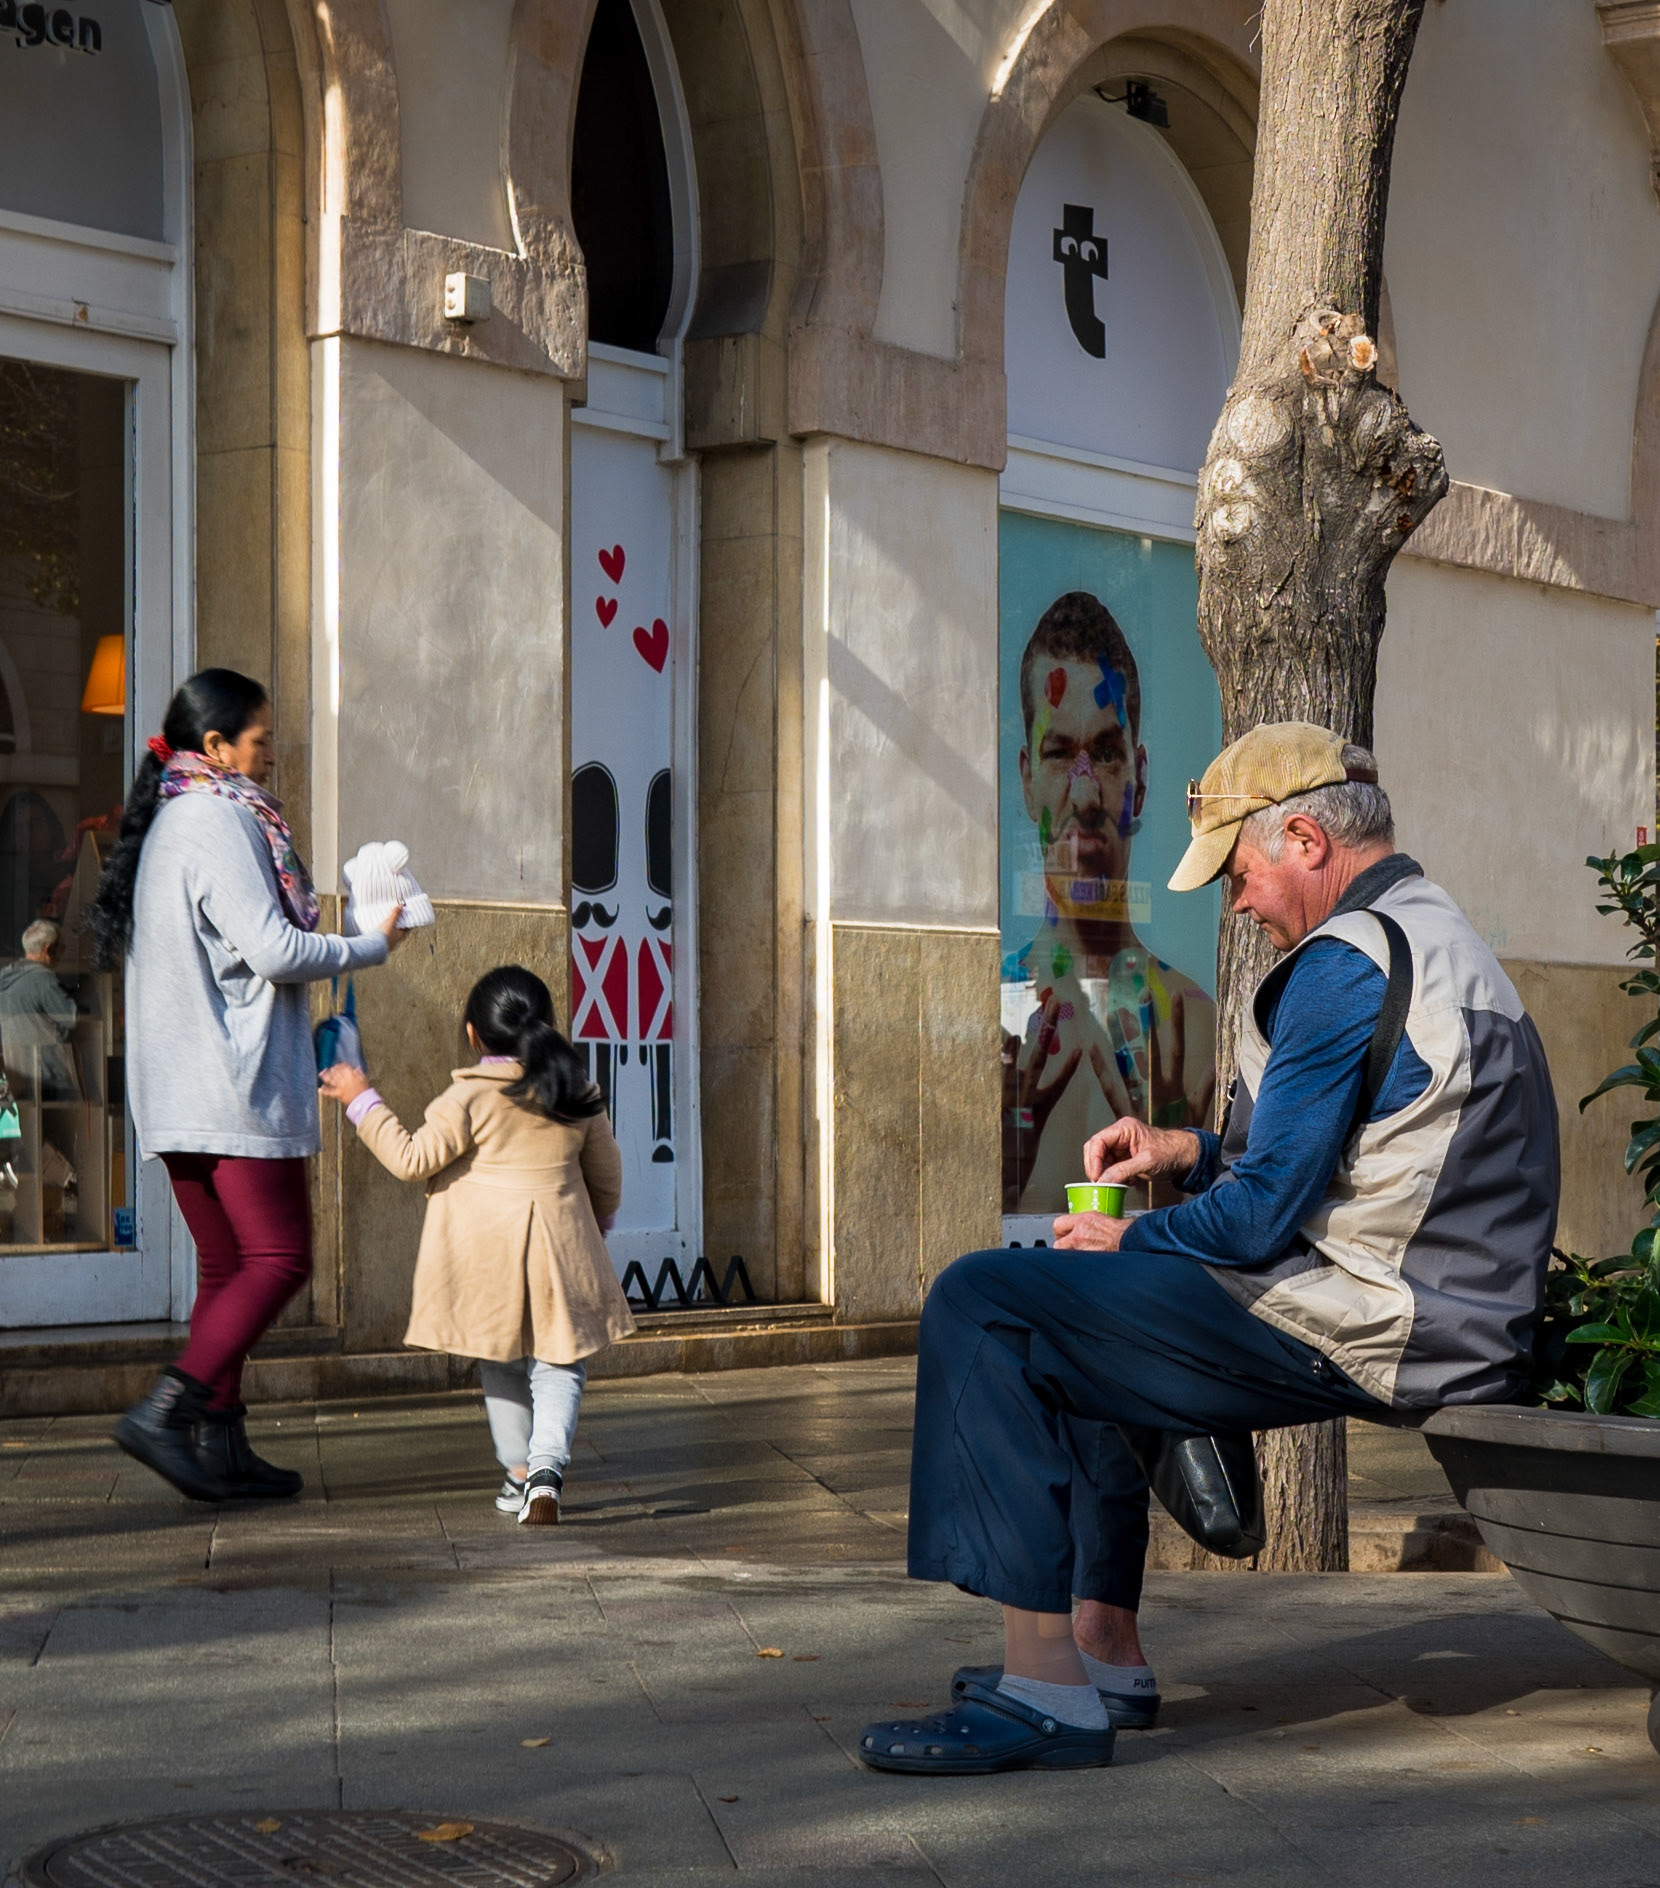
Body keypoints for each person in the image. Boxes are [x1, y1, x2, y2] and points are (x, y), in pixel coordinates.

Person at [860, 721, 1559, 1775]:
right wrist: (1190, 1149)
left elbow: (1259, 1218)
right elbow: (1368, 1146)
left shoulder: (1340, 966)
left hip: (1380, 1317)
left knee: (985, 1303)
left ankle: (1044, 1691)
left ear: (1308, 842)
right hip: (1443, 1303)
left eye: (1240, 873)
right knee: (1085, 1306)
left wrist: (1133, 1227)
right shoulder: (1429, 930)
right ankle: (1102, 1645)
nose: (1236, 903)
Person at [97, 669, 406, 1503]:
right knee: (279, 1257)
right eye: (261, 741)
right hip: (226, 1089)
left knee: (228, 1263)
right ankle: (168, 1409)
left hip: (178, 1089)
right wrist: (368, 945)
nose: (272, 755)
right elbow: (273, 950)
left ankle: (220, 1443)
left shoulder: (172, 819)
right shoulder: (216, 819)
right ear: (217, 747)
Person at [320, 964, 633, 1525]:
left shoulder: (466, 1099)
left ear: (472, 1034)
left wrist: (361, 1098)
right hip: (561, 1251)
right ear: (546, 1024)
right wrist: (597, 1227)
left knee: (502, 1360)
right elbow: (607, 1176)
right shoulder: (575, 1091)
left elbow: (412, 1159)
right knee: (559, 1364)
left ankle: (518, 1473)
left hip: (486, 1258)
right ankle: (545, 1470)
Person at [1002, 592, 1215, 1212]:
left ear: (1141, 778)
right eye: (1060, 753)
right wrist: (994, 1181)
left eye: (1108, 753)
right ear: (1026, 779)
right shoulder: (998, 1024)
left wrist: (1179, 1181)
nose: (1087, 792)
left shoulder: (1194, 1024)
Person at [0, 919, 78, 1099]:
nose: (62, 955)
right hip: (48, 1074)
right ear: (49, 949)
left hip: (15, 1074)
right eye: (62, 949)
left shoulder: (4, 978)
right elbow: (72, 1019)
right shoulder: (43, 979)